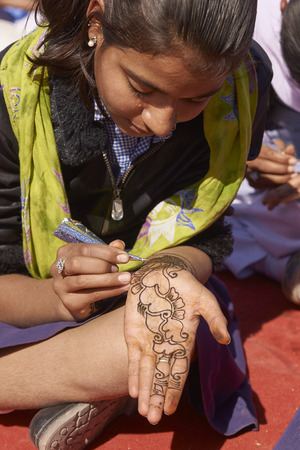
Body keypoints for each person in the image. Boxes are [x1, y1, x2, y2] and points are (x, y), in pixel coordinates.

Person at [0, 0, 272, 448]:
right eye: (142, 89)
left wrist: (169, 272)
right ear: (95, 22)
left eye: (195, 98)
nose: (163, 123)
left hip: (141, 307)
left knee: (173, 320)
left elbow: (210, 235)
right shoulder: (14, 94)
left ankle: (83, 381)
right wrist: (57, 296)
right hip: (28, 302)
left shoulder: (243, 84)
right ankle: (88, 383)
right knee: (153, 349)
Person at [223, 0, 300, 305]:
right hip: (230, 178)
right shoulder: (225, 23)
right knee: (204, 211)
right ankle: (283, 262)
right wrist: (239, 158)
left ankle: (279, 261)